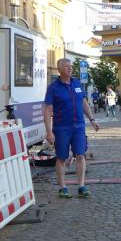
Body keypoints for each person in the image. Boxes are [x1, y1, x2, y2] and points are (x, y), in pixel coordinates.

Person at [43, 58, 100, 198]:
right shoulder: (53, 88)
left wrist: (92, 119)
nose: (70, 68)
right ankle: (63, 187)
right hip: (62, 127)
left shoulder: (77, 83)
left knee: (80, 155)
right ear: (59, 69)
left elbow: (84, 102)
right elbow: (47, 110)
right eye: (66, 66)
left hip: (79, 126)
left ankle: (81, 186)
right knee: (61, 158)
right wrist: (49, 132)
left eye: (71, 66)